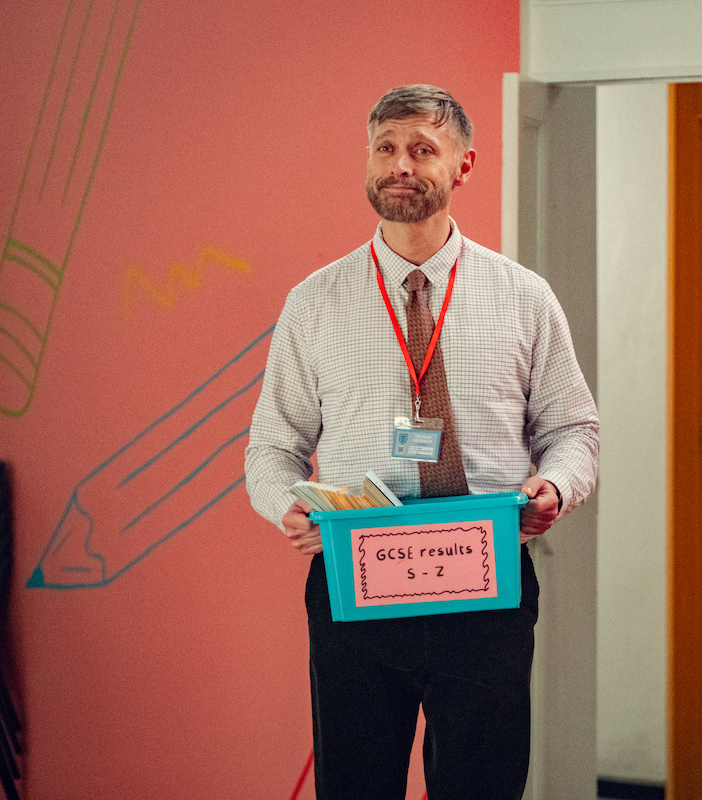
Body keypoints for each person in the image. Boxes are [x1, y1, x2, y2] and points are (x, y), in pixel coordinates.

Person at [243, 84, 599, 799]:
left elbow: (572, 429)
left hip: (485, 588)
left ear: (463, 165)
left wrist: (555, 485)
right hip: (357, 586)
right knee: (355, 783)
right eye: (385, 148)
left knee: (482, 784)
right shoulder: (314, 302)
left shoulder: (523, 296)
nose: (400, 165)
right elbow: (271, 446)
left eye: (422, 149)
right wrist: (284, 504)